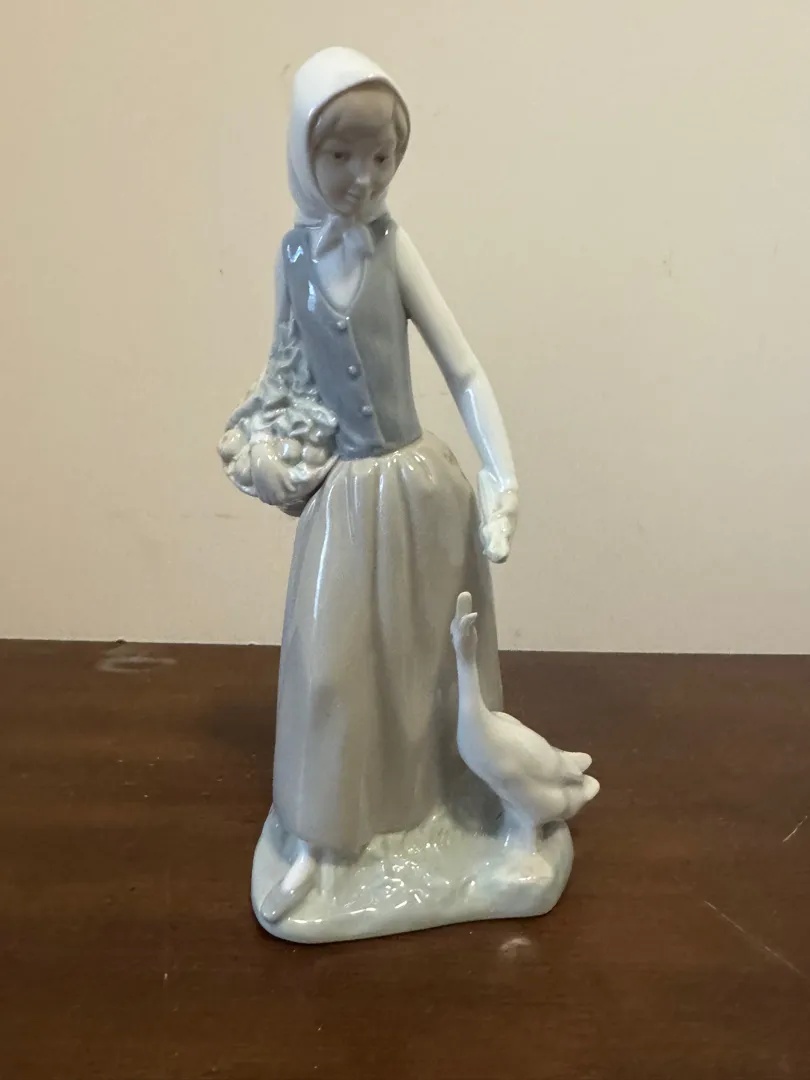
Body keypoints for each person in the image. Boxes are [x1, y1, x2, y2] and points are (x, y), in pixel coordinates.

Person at [221, 47, 519, 921]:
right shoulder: (294, 257)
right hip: (347, 497)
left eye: (382, 155)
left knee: (426, 665)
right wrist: (268, 450)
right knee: (332, 667)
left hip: (421, 489)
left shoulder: (395, 249)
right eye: (341, 154)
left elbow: (464, 368)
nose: (364, 176)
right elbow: (285, 374)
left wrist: (501, 473)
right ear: (303, 153)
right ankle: (322, 837)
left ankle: (441, 811)